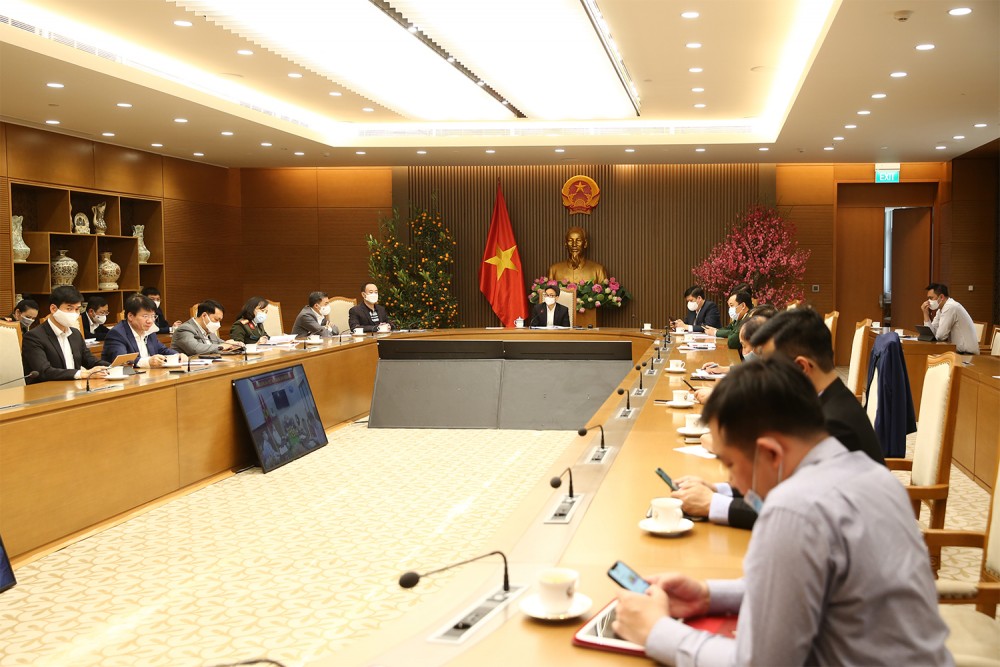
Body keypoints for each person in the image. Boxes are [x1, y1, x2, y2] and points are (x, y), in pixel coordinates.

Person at [614, 357, 952, 666]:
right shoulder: (871, 473)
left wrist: (655, 631)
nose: (732, 481)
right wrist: (708, 595)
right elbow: (812, 590)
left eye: (730, 464)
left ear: (771, 454)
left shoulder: (793, 509)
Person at [21, 286, 108, 384]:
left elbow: (89, 360)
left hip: (75, 388)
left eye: (77, 309)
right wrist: (81, 374)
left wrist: (113, 366)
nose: (74, 314)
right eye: (69, 309)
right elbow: (44, 371)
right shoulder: (33, 337)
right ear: (53, 309)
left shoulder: (75, 334)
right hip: (46, 393)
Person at [102, 294, 182, 368]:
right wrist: (148, 362)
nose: (150, 321)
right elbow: (122, 361)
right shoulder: (117, 334)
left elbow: (162, 350)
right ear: (130, 316)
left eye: (153, 316)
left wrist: (178, 355)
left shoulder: (150, 330)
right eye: (145, 316)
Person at [922, 282, 979, 354]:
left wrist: (933, 335)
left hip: (967, 354)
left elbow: (940, 336)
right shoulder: (941, 309)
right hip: (956, 352)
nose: (928, 302)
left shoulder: (950, 307)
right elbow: (930, 334)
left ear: (941, 297)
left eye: (931, 298)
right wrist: (925, 313)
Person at [172, 300, 241, 355]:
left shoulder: (208, 330)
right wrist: (222, 346)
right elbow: (195, 349)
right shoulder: (185, 329)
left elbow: (220, 343)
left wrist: (233, 344)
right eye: (216, 319)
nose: (218, 324)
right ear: (204, 315)